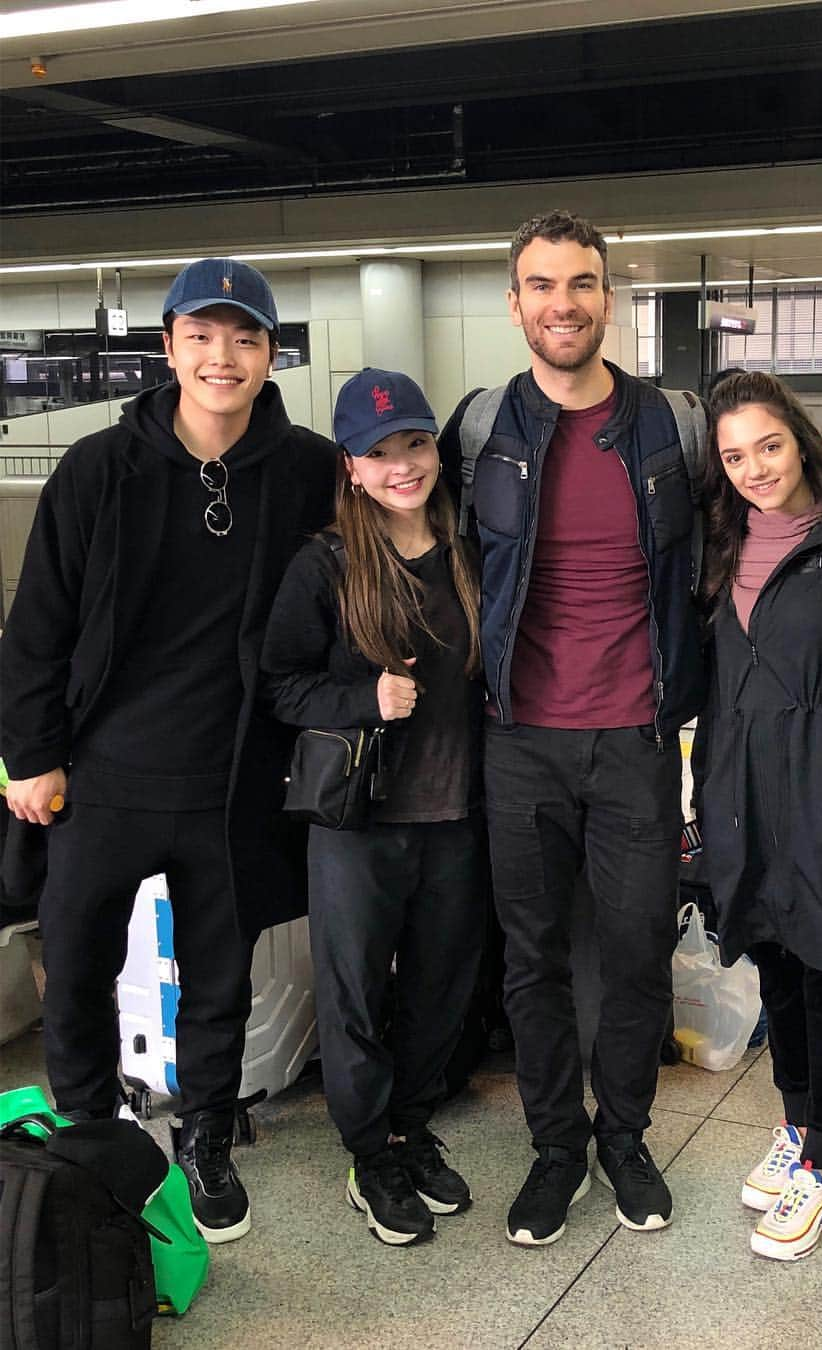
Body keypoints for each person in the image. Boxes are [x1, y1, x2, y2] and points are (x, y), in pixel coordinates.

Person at [0, 259, 338, 1243]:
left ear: (271, 354)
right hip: (103, 773)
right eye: (201, 336)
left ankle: (205, 1139)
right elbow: (37, 626)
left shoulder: (305, 468)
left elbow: (376, 536)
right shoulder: (99, 469)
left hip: (233, 774)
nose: (220, 357)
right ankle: (87, 1133)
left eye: (243, 338)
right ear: (169, 347)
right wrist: (34, 755)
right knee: (75, 960)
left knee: (220, 975)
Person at [439, 210, 706, 1246]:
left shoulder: (665, 429)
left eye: (583, 283)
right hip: (520, 741)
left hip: (637, 736)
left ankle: (625, 1138)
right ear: (516, 305)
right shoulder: (482, 430)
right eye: (543, 286)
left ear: (609, 298)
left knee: (639, 953)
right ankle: (559, 1148)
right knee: (533, 957)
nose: (564, 304)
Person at [260, 368, 486, 1247]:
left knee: (440, 991)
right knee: (354, 998)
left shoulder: (467, 552)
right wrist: (361, 699)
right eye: (381, 453)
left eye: (416, 445)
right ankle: (368, 1153)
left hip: (456, 814)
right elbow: (279, 683)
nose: (403, 467)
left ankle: (411, 1125)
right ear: (351, 466)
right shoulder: (327, 564)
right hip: (359, 823)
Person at [692, 371, 822, 1260]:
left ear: (802, 440)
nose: (754, 468)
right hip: (742, 794)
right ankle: (794, 1122)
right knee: (775, 966)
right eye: (734, 455)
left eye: (768, 445)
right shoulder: (722, 549)